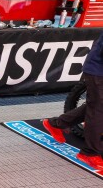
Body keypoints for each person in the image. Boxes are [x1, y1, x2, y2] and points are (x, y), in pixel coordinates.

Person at [42, 32, 103, 169]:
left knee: (95, 107)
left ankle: (56, 123)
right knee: (98, 110)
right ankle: (89, 153)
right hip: (99, 71)